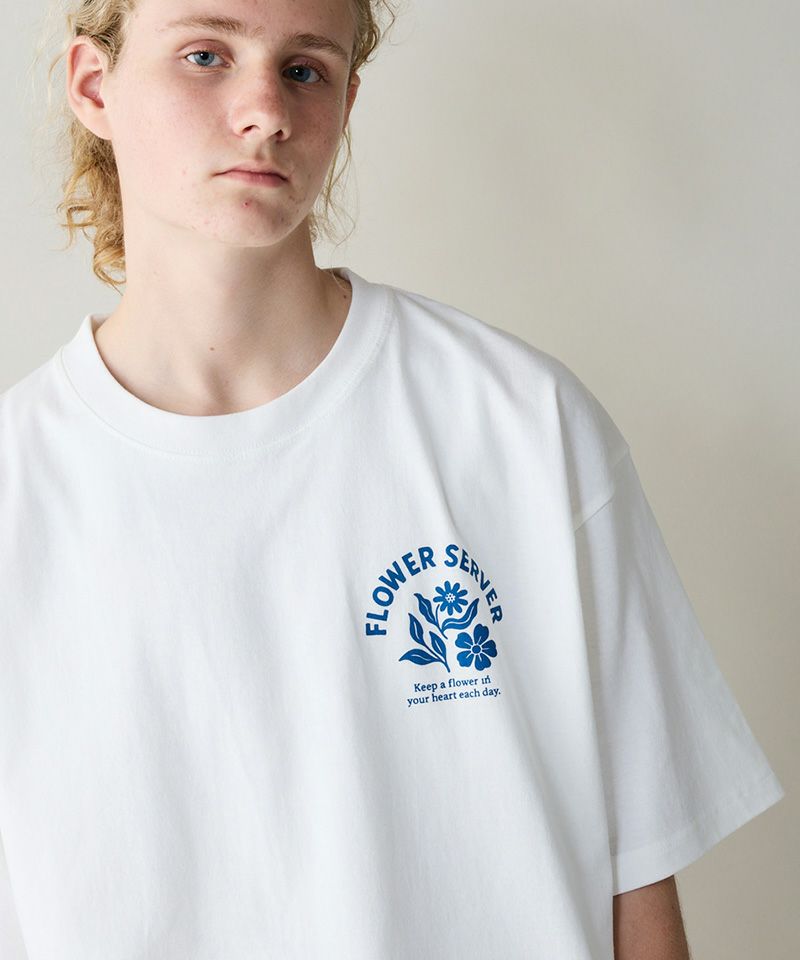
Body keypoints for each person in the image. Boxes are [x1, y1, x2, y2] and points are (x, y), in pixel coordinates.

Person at [0, 1, 785, 958]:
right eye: (205, 55)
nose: (265, 111)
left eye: (305, 70)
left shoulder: (522, 427)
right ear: (95, 85)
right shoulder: (19, 493)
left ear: (346, 102)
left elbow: (640, 889)